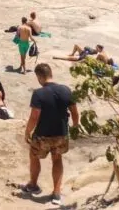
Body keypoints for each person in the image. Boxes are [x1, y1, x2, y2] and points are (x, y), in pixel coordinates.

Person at [22, 63, 80, 206]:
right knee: (57, 159)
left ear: (40, 77)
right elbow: (74, 112)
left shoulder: (38, 93)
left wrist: (27, 132)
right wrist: (75, 126)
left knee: (34, 156)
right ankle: (56, 193)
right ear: (51, 74)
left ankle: (33, 185)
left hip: (42, 135)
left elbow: (34, 116)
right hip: (61, 133)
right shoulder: (66, 90)